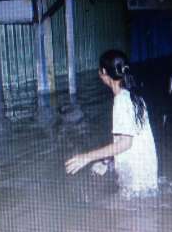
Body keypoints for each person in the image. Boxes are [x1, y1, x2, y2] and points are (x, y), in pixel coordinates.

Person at [65, 50, 158, 196]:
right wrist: (107, 161)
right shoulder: (136, 98)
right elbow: (130, 140)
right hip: (147, 175)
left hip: (135, 182)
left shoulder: (121, 101)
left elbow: (125, 143)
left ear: (103, 72)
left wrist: (87, 157)